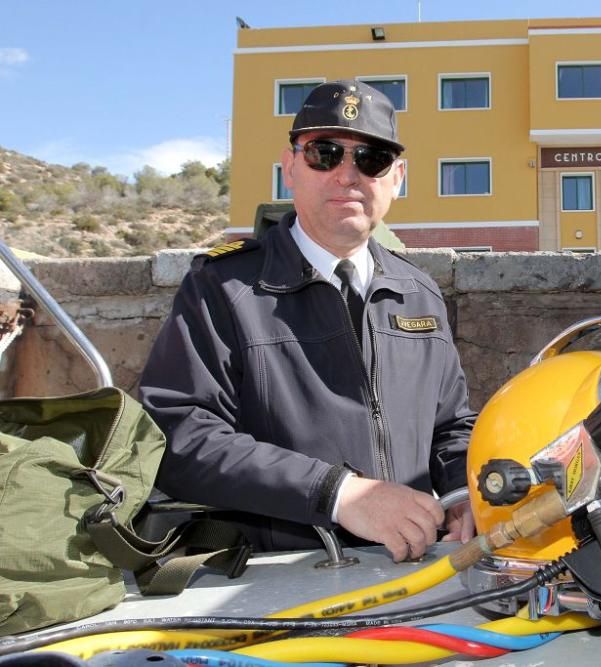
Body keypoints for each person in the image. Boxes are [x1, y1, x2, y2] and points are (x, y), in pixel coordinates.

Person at [139, 80, 477, 562]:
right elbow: (175, 434)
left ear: (397, 177)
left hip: (417, 568)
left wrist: (464, 492)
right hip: (278, 575)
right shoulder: (223, 288)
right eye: (325, 153)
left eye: (371, 159)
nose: (347, 175)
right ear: (290, 168)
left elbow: (452, 426)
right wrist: (338, 495)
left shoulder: (417, 293)